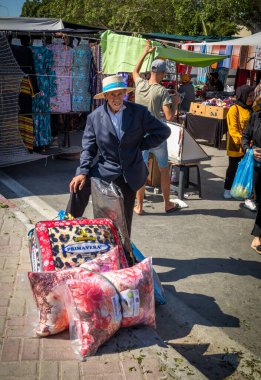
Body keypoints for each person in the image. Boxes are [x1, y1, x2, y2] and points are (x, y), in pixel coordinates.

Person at [66, 74, 171, 236]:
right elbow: (88, 148)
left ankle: (125, 252)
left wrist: (141, 145)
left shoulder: (139, 113)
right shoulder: (95, 118)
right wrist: (82, 172)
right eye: (112, 94)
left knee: (123, 218)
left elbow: (163, 131)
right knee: (78, 187)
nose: (116, 98)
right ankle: (66, 229)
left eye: (119, 93)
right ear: (106, 96)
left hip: (130, 172)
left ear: (125, 93)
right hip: (106, 169)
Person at [132, 41, 179, 215]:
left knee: (141, 171)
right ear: (160, 73)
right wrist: (175, 104)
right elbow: (168, 117)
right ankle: (167, 204)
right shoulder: (162, 91)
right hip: (156, 136)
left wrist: (145, 52)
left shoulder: (140, 84)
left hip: (140, 135)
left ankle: (139, 206)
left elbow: (134, 71)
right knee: (164, 170)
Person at [224, 85, 254, 200]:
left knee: (247, 168)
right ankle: (227, 188)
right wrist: (244, 141)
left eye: (252, 95)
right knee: (233, 167)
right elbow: (233, 130)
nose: (251, 98)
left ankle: (241, 190)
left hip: (249, 144)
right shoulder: (234, 109)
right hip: (236, 145)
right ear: (243, 95)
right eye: (249, 96)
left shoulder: (251, 109)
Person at [242, 111, 261, 254]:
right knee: (259, 200)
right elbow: (245, 137)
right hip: (258, 167)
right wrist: (250, 151)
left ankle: (258, 235)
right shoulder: (256, 116)